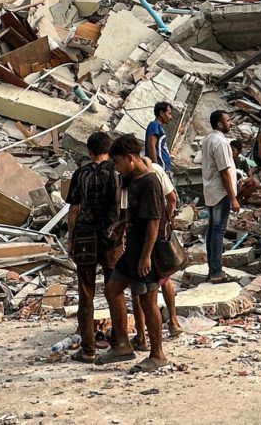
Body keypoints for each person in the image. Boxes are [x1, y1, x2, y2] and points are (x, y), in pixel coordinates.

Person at [97, 134, 169, 371]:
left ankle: (157, 354)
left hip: (146, 252)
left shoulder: (150, 181)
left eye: (118, 163)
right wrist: (122, 224)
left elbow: (154, 222)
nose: (117, 168)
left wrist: (146, 256)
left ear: (130, 158)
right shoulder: (134, 180)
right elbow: (137, 215)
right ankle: (122, 345)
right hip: (133, 250)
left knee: (148, 301)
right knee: (112, 290)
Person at [64, 131, 120, 364]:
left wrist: (71, 238)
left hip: (85, 237)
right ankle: (119, 342)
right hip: (110, 237)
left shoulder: (81, 174)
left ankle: (88, 349)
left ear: (89, 151)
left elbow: (73, 209)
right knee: (114, 290)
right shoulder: (116, 172)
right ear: (109, 151)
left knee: (86, 293)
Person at [131, 156, 182, 346]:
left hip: (142, 237)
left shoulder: (134, 177)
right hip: (159, 233)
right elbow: (172, 199)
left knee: (139, 287)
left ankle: (142, 336)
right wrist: (165, 223)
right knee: (164, 277)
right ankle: (173, 322)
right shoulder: (157, 171)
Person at [200, 109, 238, 283]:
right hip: (220, 192)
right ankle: (216, 272)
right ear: (220, 124)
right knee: (218, 231)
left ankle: (213, 269)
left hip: (211, 191)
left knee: (212, 230)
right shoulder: (221, 142)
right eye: (228, 121)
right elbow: (224, 172)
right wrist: (233, 198)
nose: (230, 123)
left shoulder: (208, 139)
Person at [145, 102, 174, 174]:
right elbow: (151, 146)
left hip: (164, 169)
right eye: (169, 114)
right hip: (160, 169)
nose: (171, 117)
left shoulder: (159, 127)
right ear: (161, 113)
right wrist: (156, 168)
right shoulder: (154, 125)